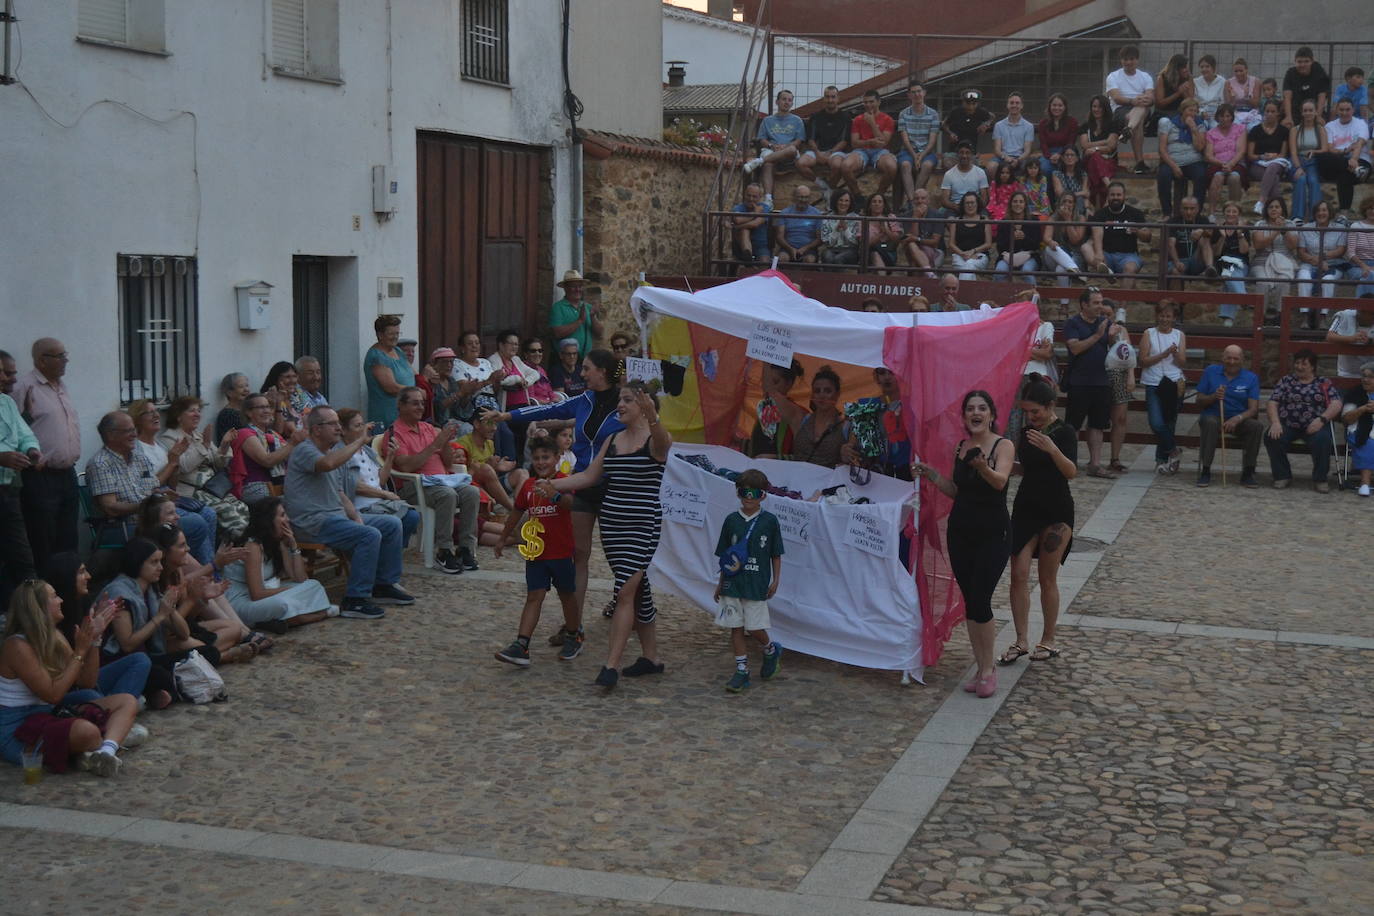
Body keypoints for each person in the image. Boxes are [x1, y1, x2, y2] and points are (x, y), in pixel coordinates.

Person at [539, 384, 670, 690]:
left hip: (642, 526)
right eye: (619, 400)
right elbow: (589, 477)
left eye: (627, 401)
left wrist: (653, 415)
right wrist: (553, 485)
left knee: (624, 592)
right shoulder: (612, 439)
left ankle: (610, 666)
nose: (619, 406)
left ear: (644, 405)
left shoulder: (656, 440)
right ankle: (651, 658)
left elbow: (664, 442)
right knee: (638, 590)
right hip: (612, 526)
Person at [486, 350, 624, 626]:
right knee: (580, 555)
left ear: (603, 372)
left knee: (619, 558)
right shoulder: (584, 400)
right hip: (582, 484)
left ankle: (627, 603)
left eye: (587, 369)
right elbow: (549, 409)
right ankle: (575, 623)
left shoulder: (625, 403)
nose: (581, 374)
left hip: (615, 486)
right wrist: (508, 416)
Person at [913, 391, 1011, 698]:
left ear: (992, 415)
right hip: (961, 533)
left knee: (981, 598)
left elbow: (1000, 482)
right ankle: (981, 666)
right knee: (971, 602)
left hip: (993, 533)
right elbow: (956, 491)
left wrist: (983, 467)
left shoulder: (1002, 445)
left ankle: (988, 670)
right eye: (970, 409)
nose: (976, 413)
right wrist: (931, 475)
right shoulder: (961, 447)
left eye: (982, 408)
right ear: (965, 417)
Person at [285, 407, 412, 618]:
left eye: (338, 423)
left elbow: (341, 493)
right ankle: (355, 599)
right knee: (368, 535)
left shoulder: (329, 452)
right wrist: (360, 441)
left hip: (335, 517)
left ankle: (383, 584)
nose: (338, 428)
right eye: (333, 424)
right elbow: (327, 465)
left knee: (391, 524)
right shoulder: (305, 450)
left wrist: (356, 517)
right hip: (312, 522)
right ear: (316, 429)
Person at [1, 580, 137, 778]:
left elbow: (86, 681)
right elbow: (53, 695)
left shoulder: (54, 635)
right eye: (54, 596)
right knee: (87, 732)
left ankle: (105, 752)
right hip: (18, 729)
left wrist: (95, 640)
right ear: (39, 607)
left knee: (126, 701)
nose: (61, 600)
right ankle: (102, 740)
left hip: (49, 714)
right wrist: (80, 650)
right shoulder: (17, 646)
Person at [998, 374, 1076, 667]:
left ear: (1050, 406)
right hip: (1026, 507)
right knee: (1018, 573)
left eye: (1036, 411)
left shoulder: (1064, 431)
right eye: (1026, 412)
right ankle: (1020, 639)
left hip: (1057, 510)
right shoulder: (1025, 432)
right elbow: (1025, 467)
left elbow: (1070, 471)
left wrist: (1051, 448)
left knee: (1047, 577)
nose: (1031, 417)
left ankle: (1049, 637)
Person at [493, 437, 583, 666]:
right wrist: (503, 538)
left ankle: (574, 634)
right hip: (535, 552)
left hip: (561, 552)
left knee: (567, 595)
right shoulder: (529, 485)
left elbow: (570, 503)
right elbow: (516, 512)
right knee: (534, 596)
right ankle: (521, 645)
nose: (541, 462)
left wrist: (553, 494)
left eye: (546, 457)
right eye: (537, 458)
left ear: (556, 458)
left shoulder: (564, 481)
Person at [85, 411, 218, 564]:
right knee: (196, 524)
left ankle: (200, 574)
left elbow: (152, 487)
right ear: (111, 435)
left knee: (207, 515)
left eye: (134, 429)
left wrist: (161, 493)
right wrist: (147, 505)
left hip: (153, 516)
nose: (134, 434)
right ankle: (178, 568)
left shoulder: (137, 456)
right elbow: (110, 508)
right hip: (127, 524)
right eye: (128, 431)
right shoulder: (100, 464)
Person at [384, 387, 481, 574]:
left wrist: (445, 444)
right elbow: (405, 467)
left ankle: (464, 548)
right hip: (413, 485)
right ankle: (444, 550)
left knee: (471, 492)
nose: (420, 407)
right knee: (447, 495)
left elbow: (447, 462)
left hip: (441, 481)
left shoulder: (428, 428)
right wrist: (435, 444)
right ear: (401, 406)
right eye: (415, 403)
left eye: (422, 403)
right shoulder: (395, 433)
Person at [43, 552, 153, 705]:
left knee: (141, 660)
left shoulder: (82, 605)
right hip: (65, 689)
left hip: (84, 679)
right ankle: (116, 708)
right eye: (81, 572)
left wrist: (96, 637)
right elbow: (81, 682)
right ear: (66, 577)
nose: (88, 576)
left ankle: (113, 706)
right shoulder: (52, 620)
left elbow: (89, 677)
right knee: (89, 695)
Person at [712, 468, 784, 694]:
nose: (748, 498)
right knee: (735, 627)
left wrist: (775, 580)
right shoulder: (731, 521)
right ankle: (741, 670)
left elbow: (776, 553)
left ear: (763, 495)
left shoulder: (769, 522)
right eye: (744, 492)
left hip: (756, 584)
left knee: (754, 627)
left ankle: (770, 649)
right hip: (733, 584)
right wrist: (720, 583)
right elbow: (726, 556)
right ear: (737, 493)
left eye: (754, 493)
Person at [12, 338, 80, 576]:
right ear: (42, 360)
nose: (65, 360)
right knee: (43, 539)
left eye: (65, 354)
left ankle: (67, 593)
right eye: (60, 356)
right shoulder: (25, 387)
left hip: (67, 473)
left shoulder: (61, 385)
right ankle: (45, 595)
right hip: (40, 475)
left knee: (68, 537)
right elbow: (12, 428)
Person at [222, 497, 334, 628]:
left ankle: (282, 619)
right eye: (282, 515)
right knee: (282, 603)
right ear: (268, 521)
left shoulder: (277, 541)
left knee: (314, 585)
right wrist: (289, 590)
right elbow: (257, 594)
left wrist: (293, 546)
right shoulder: (253, 546)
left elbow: (300, 578)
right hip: (241, 601)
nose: (287, 519)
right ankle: (320, 614)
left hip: (266, 594)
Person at [157, 395, 247, 539]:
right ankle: (235, 547)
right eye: (192, 411)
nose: (197, 414)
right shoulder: (169, 438)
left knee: (241, 507)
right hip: (192, 491)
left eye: (199, 411)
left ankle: (241, 545)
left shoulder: (199, 436)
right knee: (228, 511)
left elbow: (219, 464)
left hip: (213, 489)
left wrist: (224, 445)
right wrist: (204, 445)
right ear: (178, 416)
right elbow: (184, 466)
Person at [1265, 348, 1342, 491]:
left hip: (1315, 424)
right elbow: (1272, 402)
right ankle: (1282, 475)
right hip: (1288, 423)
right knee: (1272, 437)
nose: (1299, 367)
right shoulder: (1286, 381)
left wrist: (1322, 420)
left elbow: (1336, 403)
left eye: (1304, 364)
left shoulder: (1323, 382)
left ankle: (1320, 479)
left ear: (1312, 366)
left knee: (1323, 439)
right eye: (1297, 363)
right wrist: (1275, 422)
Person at [1063, 287, 1118, 477]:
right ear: (1084, 304)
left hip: (1101, 381)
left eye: (1101, 302)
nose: (1099, 307)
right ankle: (1070, 462)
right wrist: (1096, 335)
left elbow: (1114, 350)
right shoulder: (1073, 323)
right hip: (1079, 381)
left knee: (1098, 424)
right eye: (1095, 303)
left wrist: (1111, 338)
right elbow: (1075, 348)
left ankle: (1095, 464)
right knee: (1073, 425)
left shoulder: (1104, 321)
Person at [1193, 345, 1262, 488]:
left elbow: (1253, 409)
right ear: (1222, 358)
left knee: (1256, 426)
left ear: (1242, 360)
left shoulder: (1251, 378)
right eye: (1228, 358)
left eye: (1236, 358)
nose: (1231, 362)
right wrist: (1213, 396)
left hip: (1238, 419)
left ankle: (1248, 472)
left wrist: (1238, 418)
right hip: (1214, 416)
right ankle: (1205, 471)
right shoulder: (1211, 372)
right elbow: (1199, 401)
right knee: (1210, 423)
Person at [0, 351, 39, 605]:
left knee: (21, 556)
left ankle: (30, 614)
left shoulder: (7, 403)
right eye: (3, 372)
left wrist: (31, 449)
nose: (7, 378)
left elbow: (24, 434)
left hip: (9, 489)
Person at [1137, 300, 1188, 474]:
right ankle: (1174, 450)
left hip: (1175, 383)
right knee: (1156, 423)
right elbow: (1143, 361)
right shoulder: (1148, 333)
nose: (1164, 319)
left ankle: (1163, 461)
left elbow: (1182, 362)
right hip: (1153, 382)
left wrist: (1175, 355)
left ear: (1174, 318)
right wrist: (1164, 354)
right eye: (1162, 315)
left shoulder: (1179, 335)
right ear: (1157, 316)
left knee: (1169, 423)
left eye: (1168, 316)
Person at [229, 393, 304, 504]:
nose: (266, 411)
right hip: (256, 488)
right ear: (249, 412)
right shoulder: (244, 433)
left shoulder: (273, 434)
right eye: (261, 407)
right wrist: (292, 444)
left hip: (278, 486)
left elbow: (291, 456)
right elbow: (267, 461)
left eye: (268, 406)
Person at [840, 366, 912, 480]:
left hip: (908, 473)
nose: (887, 377)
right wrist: (846, 450)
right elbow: (852, 446)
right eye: (882, 373)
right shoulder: (866, 406)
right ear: (876, 377)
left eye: (892, 372)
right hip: (875, 475)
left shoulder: (914, 405)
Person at [743, 89, 805, 204]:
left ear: (792, 103)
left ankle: (758, 161)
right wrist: (772, 146)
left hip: (789, 152)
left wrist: (786, 147)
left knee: (792, 149)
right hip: (771, 150)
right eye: (784, 99)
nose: (787, 102)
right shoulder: (767, 120)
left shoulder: (797, 121)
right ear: (777, 102)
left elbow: (799, 140)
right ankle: (768, 198)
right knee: (768, 164)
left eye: (790, 100)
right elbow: (761, 139)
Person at [456, 413, 527, 514]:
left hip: (491, 487)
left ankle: (517, 505)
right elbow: (463, 477)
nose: (494, 428)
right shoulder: (462, 444)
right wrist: (489, 466)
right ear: (476, 424)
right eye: (490, 423)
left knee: (522, 473)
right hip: (473, 488)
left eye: (496, 424)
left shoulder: (490, 443)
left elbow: (491, 475)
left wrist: (497, 467)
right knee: (486, 468)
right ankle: (515, 511)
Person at [488, 328, 540, 458]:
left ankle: (524, 464)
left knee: (532, 430)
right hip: (506, 408)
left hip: (523, 405)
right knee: (522, 430)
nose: (515, 347)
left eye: (516, 344)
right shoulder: (493, 360)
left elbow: (535, 374)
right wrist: (517, 379)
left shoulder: (516, 360)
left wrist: (526, 382)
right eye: (511, 343)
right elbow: (501, 381)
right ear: (501, 345)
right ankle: (515, 463)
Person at [1295, 200, 1349, 323]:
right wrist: (1317, 261)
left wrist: (1322, 257)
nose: (1321, 213)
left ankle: (1323, 316)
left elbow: (1340, 250)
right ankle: (1305, 314)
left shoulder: (1340, 228)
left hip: (1333, 263)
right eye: (1318, 210)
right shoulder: (1305, 228)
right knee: (1303, 276)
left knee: (1328, 280)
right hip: (1310, 262)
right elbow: (1301, 252)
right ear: (1314, 214)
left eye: (1324, 210)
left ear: (1330, 212)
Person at [1089, 182, 1151, 288]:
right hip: (1106, 255)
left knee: (1130, 268)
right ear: (1108, 196)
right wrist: (1099, 253)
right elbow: (1097, 234)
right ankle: (1107, 273)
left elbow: (1147, 237)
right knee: (1086, 247)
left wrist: (1138, 231)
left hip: (1128, 255)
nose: (1115, 198)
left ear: (1124, 196)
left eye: (1118, 195)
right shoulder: (1100, 214)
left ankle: (1122, 305)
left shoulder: (1135, 213)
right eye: (1112, 195)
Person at [1105, 45, 1155, 173]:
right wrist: (1133, 101)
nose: (1128, 62)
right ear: (1121, 60)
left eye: (1131, 59)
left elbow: (1150, 96)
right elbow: (1116, 98)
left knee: (1141, 108)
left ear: (1137, 60)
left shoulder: (1145, 76)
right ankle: (1139, 163)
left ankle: (1128, 130)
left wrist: (1145, 100)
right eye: (1125, 59)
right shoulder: (1113, 76)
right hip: (1120, 111)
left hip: (1140, 108)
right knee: (1139, 120)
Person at [1157, 98, 1208, 220]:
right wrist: (1174, 166)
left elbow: (1200, 147)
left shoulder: (1200, 124)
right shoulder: (1168, 123)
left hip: (1193, 160)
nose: (1193, 113)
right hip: (1172, 160)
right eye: (1190, 110)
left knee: (1201, 175)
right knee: (1163, 175)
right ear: (1183, 110)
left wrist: (1193, 129)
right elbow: (1162, 149)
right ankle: (1167, 213)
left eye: (1195, 111)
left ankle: (1197, 212)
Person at [1318, 99, 1371, 212]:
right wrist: (1346, 152)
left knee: (1345, 174)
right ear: (1337, 110)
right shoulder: (1330, 126)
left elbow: (1359, 144)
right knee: (1323, 156)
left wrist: (1353, 159)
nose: (1344, 113)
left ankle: (1343, 214)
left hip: (1360, 161)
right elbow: (1330, 148)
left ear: (1353, 110)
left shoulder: (1361, 123)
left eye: (1348, 110)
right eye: (1341, 110)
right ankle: (1357, 170)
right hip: (1340, 163)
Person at [749, 359, 807, 459]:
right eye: (767, 382)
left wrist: (773, 458)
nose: (768, 386)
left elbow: (802, 457)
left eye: (775, 382)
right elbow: (760, 444)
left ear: (789, 384)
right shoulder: (765, 409)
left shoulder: (797, 412)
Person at [128, 399, 189, 493]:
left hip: (168, 498)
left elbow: (173, 486)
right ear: (137, 419)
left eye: (156, 411)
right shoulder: (135, 450)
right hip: (153, 502)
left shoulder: (161, 446)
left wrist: (175, 463)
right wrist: (171, 464)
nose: (156, 415)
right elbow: (147, 488)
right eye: (150, 412)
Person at [364, 315, 416, 428]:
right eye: (391, 334)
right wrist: (416, 392)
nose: (395, 337)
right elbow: (391, 388)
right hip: (388, 416)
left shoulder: (397, 350)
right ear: (380, 335)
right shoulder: (377, 356)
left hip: (405, 414)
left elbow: (412, 373)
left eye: (397, 333)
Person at [896, 82, 941, 210]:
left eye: (919, 91)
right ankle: (911, 201)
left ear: (924, 93)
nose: (917, 94)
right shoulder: (903, 114)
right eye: (914, 92)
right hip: (908, 151)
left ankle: (914, 198)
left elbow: (932, 140)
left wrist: (921, 155)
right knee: (905, 165)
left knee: (927, 165)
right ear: (909, 95)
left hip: (927, 151)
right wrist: (914, 155)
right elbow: (904, 139)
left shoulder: (933, 114)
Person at [796, 85, 849, 191]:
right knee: (800, 163)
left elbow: (844, 141)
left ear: (838, 98)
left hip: (836, 152)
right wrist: (817, 153)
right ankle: (822, 184)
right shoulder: (816, 117)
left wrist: (829, 153)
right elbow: (810, 139)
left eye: (833, 97)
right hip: (817, 151)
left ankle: (830, 190)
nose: (830, 100)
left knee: (837, 165)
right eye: (827, 97)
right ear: (823, 99)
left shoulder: (845, 117)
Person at [791, 366, 846, 468]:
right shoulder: (803, 419)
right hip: (798, 479)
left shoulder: (846, 425)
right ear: (812, 395)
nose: (822, 395)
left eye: (827, 391)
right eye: (817, 391)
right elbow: (771, 392)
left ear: (838, 394)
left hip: (830, 482)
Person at [844, 90, 897, 194]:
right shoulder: (858, 119)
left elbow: (883, 143)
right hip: (861, 151)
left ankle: (878, 196)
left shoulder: (887, 119)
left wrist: (872, 123)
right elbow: (854, 143)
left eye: (871, 102)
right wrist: (870, 141)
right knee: (846, 166)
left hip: (881, 152)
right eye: (866, 102)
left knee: (892, 167)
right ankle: (857, 195)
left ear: (878, 102)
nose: (868, 105)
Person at [1209, 203, 1253, 326]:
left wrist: (1240, 234)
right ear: (1224, 213)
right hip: (1222, 262)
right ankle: (1244, 299)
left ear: (1238, 214)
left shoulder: (1243, 228)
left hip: (1240, 263)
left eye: (1234, 212)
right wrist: (1222, 237)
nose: (1231, 214)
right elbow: (1216, 252)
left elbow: (1244, 251)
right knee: (1228, 270)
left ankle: (1228, 318)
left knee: (1229, 274)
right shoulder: (1219, 229)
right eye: (1228, 211)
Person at [1247, 102, 1291, 216]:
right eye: (1267, 111)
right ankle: (1279, 213)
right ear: (1263, 112)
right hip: (1259, 163)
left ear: (1278, 114)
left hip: (1277, 163)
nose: (1270, 114)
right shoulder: (1255, 130)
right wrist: (1262, 156)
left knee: (1272, 167)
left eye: (1273, 111)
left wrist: (1274, 156)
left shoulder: (1283, 131)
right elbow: (1250, 155)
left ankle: (1261, 202)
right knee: (1274, 178)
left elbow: (1283, 154)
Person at [1289, 100, 1329, 222]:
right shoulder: (1295, 130)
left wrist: (1314, 151)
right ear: (1301, 113)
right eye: (1305, 110)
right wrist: (1298, 167)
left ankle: (1315, 216)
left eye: (1311, 110)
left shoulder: (1320, 129)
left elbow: (1325, 148)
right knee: (1300, 179)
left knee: (1313, 180)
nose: (1308, 113)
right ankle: (1297, 217)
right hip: (1297, 161)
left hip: (1313, 161)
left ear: (1316, 112)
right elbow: (1293, 152)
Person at [549, 269, 603, 358]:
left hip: (585, 360)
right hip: (565, 361)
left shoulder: (587, 307)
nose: (578, 289)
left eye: (580, 286)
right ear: (566, 288)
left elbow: (599, 333)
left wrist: (593, 317)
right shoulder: (558, 307)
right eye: (574, 286)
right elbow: (556, 333)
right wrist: (580, 321)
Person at [1204, 104, 1248, 214]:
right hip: (1217, 163)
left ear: (1232, 117)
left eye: (1228, 116)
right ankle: (1212, 212)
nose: (1225, 119)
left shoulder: (1240, 129)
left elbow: (1241, 151)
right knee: (1217, 177)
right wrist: (1223, 164)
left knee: (1234, 177)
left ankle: (1234, 210)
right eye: (1222, 116)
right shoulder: (1211, 133)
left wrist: (1230, 164)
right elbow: (1208, 155)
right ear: (1217, 117)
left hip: (1236, 163)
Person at [1339, 363, 1374, 496]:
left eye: (1371, 377)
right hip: (1358, 429)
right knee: (1368, 442)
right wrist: (1363, 409)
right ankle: (1365, 483)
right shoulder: (1355, 393)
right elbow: (1346, 419)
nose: (1366, 380)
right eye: (1364, 376)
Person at [1079, 95, 1119, 209]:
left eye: (1100, 107)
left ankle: (1093, 205)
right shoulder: (1085, 126)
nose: (1096, 109)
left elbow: (1111, 146)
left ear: (1105, 108)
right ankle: (1109, 185)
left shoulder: (1113, 125)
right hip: (1088, 161)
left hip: (1108, 161)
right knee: (1094, 157)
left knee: (1094, 157)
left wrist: (1095, 149)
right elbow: (1084, 145)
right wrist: (1105, 142)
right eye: (1094, 106)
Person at [1044, 193, 1091, 287]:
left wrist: (1067, 219)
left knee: (1061, 270)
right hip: (1056, 254)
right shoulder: (1053, 218)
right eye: (1064, 201)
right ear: (1059, 204)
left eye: (1070, 202)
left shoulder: (1080, 218)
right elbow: (1046, 237)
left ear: (1074, 205)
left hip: (1074, 255)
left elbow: (1075, 240)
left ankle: (1064, 301)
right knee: (1048, 248)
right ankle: (1074, 269)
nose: (1067, 204)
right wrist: (1050, 242)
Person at [1167, 196, 1216, 287]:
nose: (1189, 212)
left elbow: (1211, 233)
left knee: (1204, 238)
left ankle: (1209, 267)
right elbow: (1171, 244)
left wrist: (1202, 231)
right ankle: (1176, 300)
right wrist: (1177, 262)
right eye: (1185, 209)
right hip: (1180, 260)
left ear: (1197, 209)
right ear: (1180, 209)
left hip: (1197, 259)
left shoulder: (1203, 220)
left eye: (1192, 209)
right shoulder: (1173, 221)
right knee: (1175, 272)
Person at [941, 88, 994, 171]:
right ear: (963, 102)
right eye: (968, 103)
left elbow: (992, 117)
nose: (971, 106)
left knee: (974, 168)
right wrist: (950, 133)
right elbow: (944, 124)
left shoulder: (981, 112)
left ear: (977, 103)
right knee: (948, 164)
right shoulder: (955, 112)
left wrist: (986, 124)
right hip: (954, 151)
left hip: (971, 152)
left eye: (974, 103)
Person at [947, 192, 994, 281]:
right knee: (969, 266)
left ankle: (963, 294)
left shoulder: (984, 220)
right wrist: (963, 254)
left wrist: (973, 251)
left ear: (977, 204)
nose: (970, 205)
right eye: (967, 203)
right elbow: (951, 244)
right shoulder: (956, 221)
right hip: (959, 255)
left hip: (979, 255)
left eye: (972, 203)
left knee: (969, 264)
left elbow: (988, 244)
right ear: (963, 205)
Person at [772, 184, 823, 264]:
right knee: (782, 259)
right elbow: (779, 236)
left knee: (809, 260)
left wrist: (805, 248)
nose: (803, 200)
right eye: (801, 197)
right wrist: (791, 249)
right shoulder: (785, 213)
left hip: (809, 250)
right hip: (787, 248)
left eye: (806, 197)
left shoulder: (816, 214)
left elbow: (819, 239)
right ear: (794, 197)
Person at [994, 191, 1040, 280]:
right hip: (1008, 257)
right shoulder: (1004, 222)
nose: (1018, 204)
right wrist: (1011, 239)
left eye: (1021, 202)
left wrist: (1024, 238)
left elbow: (1036, 245)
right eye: (1015, 201)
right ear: (1010, 204)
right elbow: (999, 247)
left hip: (1029, 257)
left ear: (1025, 204)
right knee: (999, 272)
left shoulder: (1034, 220)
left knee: (1027, 272)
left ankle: (1033, 294)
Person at [989, 92, 1036, 179]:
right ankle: (995, 190)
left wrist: (1018, 160)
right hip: (1002, 157)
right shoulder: (999, 125)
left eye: (1017, 103)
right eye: (1011, 103)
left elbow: (1027, 151)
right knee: (992, 167)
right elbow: (997, 149)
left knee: (1029, 168)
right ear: (1007, 105)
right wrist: (1006, 158)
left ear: (1022, 106)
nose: (1014, 105)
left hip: (1021, 158)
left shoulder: (1029, 126)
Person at [1282, 46, 1331, 127]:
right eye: (1299, 62)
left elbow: (1322, 96)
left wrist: (1318, 116)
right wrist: (1288, 117)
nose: (1302, 64)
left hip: (1314, 111)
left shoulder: (1319, 72)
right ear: (1295, 62)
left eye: (1306, 61)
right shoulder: (1290, 74)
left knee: (1320, 124)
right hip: (1295, 112)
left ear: (1312, 61)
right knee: (1287, 125)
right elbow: (1287, 97)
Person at [1337, 196, 1374, 296]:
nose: (1372, 211)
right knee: (1369, 276)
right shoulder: (1356, 226)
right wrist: (1364, 266)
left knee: (1371, 275)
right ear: (1365, 210)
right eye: (1370, 208)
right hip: (1357, 266)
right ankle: (1361, 309)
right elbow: (1350, 252)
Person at [939, 141, 990, 213]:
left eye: (967, 153)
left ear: (972, 155)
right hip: (956, 207)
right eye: (961, 152)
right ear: (957, 155)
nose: (964, 156)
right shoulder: (949, 174)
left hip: (975, 206)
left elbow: (984, 198)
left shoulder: (980, 172)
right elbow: (944, 200)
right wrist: (956, 207)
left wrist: (974, 209)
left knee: (986, 220)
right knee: (950, 220)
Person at [1036, 93, 1078, 178]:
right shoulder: (1043, 124)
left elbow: (1071, 142)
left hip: (1066, 152)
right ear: (1049, 106)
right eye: (1054, 105)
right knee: (1045, 168)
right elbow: (1043, 144)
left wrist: (1060, 154)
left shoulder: (1072, 122)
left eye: (1060, 105)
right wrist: (1050, 156)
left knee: (1066, 168)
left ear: (1065, 107)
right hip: (1048, 154)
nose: (1057, 108)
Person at [730, 182, 773, 264]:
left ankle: (748, 259)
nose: (751, 199)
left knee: (764, 263)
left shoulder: (764, 207)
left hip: (760, 245)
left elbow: (755, 224)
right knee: (745, 230)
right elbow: (738, 220)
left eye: (754, 196)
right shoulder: (738, 208)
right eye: (748, 195)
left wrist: (737, 227)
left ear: (760, 197)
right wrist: (754, 213)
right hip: (740, 246)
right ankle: (747, 256)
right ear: (744, 195)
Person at [819, 187, 861, 266]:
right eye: (840, 200)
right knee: (827, 257)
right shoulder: (827, 218)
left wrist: (846, 229)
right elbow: (827, 243)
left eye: (846, 201)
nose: (843, 203)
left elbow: (856, 243)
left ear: (850, 203)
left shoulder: (856, 219)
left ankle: (838, 279)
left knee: (839, 259)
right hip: (831, 249)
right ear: (835, 201)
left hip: (850, 250)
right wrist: (836, 230)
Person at [261, 361, 305, 434]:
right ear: (276, 379)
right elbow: (278, 431)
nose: (292, 381)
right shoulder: (267, 398)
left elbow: (308, 416)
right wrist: (278, 403)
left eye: (294, 376)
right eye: (287, 377)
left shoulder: (298, 394)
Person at [863, 192, 904, 271]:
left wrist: (886, 230)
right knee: (874, 250)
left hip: (887, 249)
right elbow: (864, 243)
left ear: (884, 204)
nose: (877, 204)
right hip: (868, 254)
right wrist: (881, 234)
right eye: (874, 201)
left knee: (876, 249)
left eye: (880, 202)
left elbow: (897, 240)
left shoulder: (891, 217)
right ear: (869, 205)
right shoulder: (864, 220)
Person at [213, 371, 252, 443]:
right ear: (229, 392)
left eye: (247, 385)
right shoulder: (228, 414)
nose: (246, 389)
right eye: (241, 386)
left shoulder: (245, 410)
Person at [1154, 54, 1194, 123]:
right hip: (1164, 112)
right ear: (1176, 69)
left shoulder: (1188, 77)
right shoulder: (1162, 78)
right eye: (1184, 67)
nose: (1186, 69)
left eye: (1187, 67)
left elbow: (1191, 102)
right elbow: (1160, 104)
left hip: (1181, 113)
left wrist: (1183, 90)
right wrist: (1178, 93)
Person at [1051, 145, 1089, 216]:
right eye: (1067, 155)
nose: (1069, 157)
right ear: (1062, 158)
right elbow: (1060, 193)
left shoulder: (1083, 175)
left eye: (1072, 155)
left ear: (1077, 158)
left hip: (1079, 205)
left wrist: (1087, 208)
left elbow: (1086, 194)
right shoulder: (1056, 174)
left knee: (1080, 201)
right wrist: (1080, 193)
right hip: (1062, 204)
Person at [1226, 57, 1262, 129]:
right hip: (1236, 113)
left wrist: (1247, 97)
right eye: (1236, 71)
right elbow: (1228, 106)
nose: (1238, 73)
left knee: (1252, 127)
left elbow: (1256, 104)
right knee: (1236, 127)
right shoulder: (1228, 83)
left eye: (1241, 71)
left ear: (1246, 70)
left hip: (1252, 112)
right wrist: (1232, 98)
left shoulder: (1256, 81)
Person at [521, 338, 558, 405]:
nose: (537, 353)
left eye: (540, 351)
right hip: (536, 408)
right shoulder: (524, 370)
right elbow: (530, 398)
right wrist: (549, 403)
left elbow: (550, 391)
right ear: (526, 354)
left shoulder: (541, 369)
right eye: (533, 351)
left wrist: (555, 400)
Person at [1021, 152, 1055, 219]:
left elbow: (1043, 194)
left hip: (1041, 204)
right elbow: (1024, 195)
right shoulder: (1023, 179)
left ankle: (1043, 212)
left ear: (1039, 169)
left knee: (1044, 195)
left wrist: (1041, 210)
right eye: (1030, 168)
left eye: (1035, 168)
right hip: (1028, 205)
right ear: (1026, 169)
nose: (1033, 170)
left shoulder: (1043, 179)